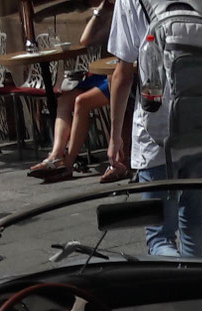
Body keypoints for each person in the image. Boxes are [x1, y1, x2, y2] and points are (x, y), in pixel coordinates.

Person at [109, 0, 202, 258]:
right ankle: (197, 279)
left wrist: (115, 136)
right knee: (192, 219)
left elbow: (122, 75)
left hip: (155, 133)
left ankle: (175, 281)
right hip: (200, 125)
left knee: (159, 237)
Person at [28, 0, 118, 183]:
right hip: (101, 73)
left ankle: (68, 165)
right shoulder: (107, 13)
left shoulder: (124, 13)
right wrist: (99, 12)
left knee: (81, 102)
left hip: (118, 74)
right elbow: (85, 39)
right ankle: (56, 155)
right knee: (65, 99)